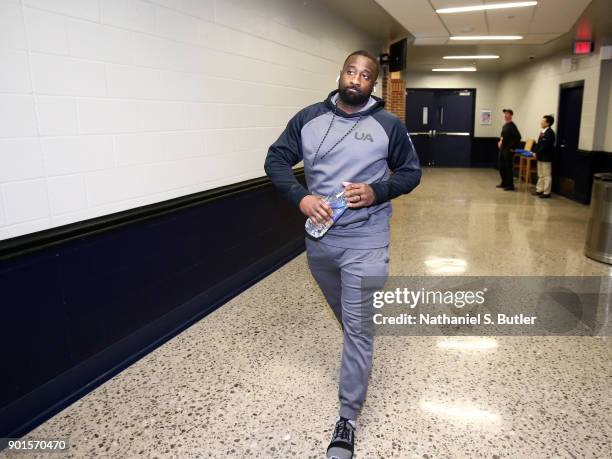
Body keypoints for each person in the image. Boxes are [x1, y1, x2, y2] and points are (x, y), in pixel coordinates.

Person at [264, 50, 421, 459]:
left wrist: (377, 190)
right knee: (349, 318)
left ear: (374, 84)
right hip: (321, 242)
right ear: (341, 74)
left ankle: (347, 418)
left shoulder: (388, 125)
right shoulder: (308, 119)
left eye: (366, 75)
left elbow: (410, 172)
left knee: (358, 326)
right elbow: (276, 158)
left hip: (367, 239)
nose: (357, 79)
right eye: (351, 71)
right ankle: (360, 336)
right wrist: (299, 197)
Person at [497, 108, 521, 191]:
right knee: (501, 166)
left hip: (508, 149)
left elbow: (518, 137)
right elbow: (502, 136)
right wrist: (500, 141)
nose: (505, 115)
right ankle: (504, 182)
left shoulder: (512, 126)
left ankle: (510, 185)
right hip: (503, 148)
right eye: (505, 113)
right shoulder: (505, 125)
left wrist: (512, 148)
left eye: (507, 113)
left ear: (511, 115)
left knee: (508, 167)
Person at [532, 115, 556, 198]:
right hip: (540, 157)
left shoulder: (550, 133)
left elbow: (545, 146)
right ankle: (539, 190)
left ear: (548, 123)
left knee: (547, 175)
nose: (541, 122)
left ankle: (546, 192)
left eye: (543, 121)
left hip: (546, 157)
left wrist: (537, 152)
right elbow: (538, 144)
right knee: (540, 175)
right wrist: (535, 152)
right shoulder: (542, 132)